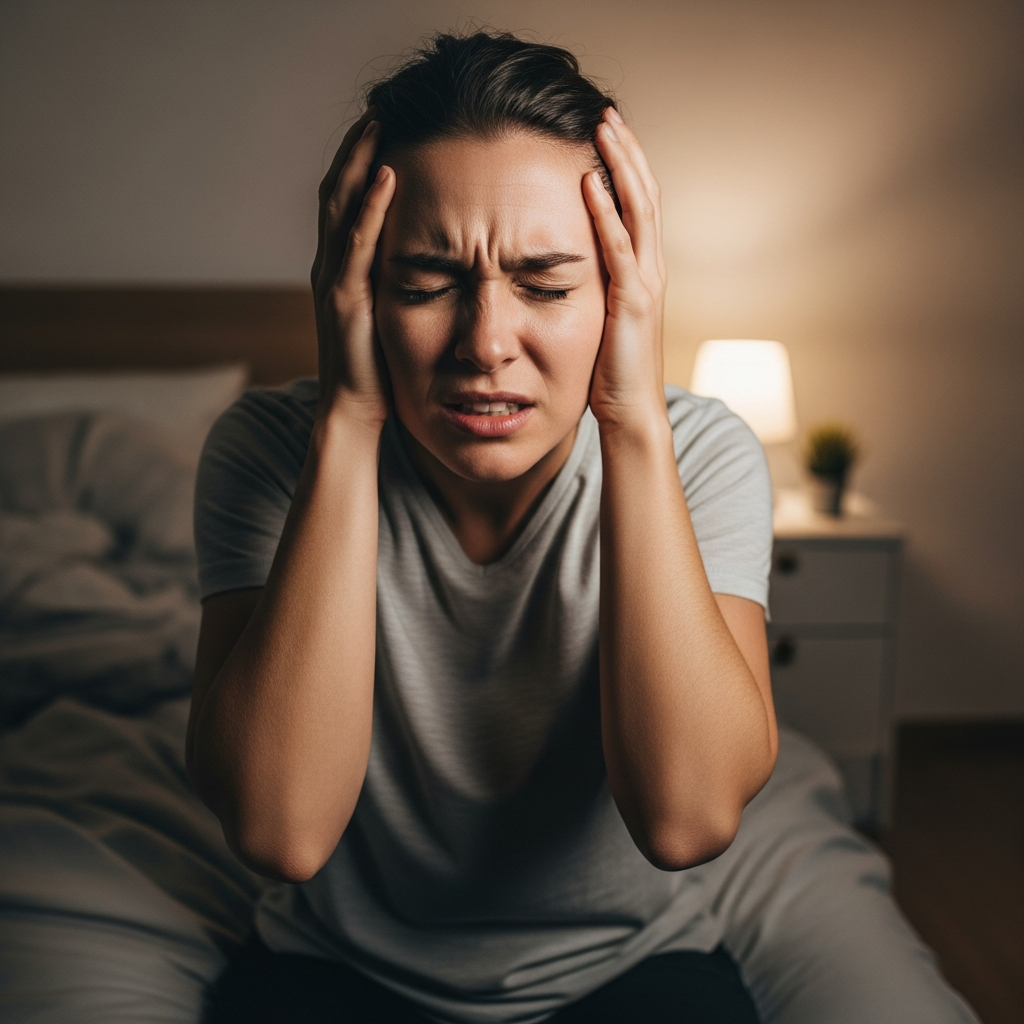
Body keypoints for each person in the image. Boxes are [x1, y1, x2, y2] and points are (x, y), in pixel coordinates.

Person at [187, 29, 779, 1024]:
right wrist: (348, 417)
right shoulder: (269, 448)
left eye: (546, 284)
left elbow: (685, 819)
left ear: (618, 292)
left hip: (628, 972)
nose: (485, 344)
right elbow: (280, 831)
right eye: (423, 282)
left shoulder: (703, 451)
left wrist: (631, 421)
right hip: (335, 969)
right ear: (358, 291)